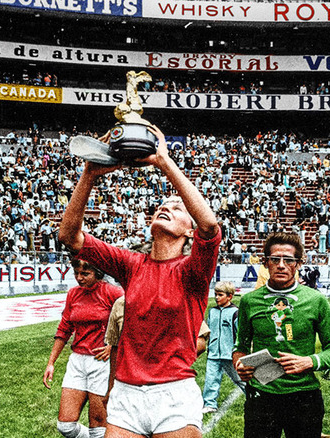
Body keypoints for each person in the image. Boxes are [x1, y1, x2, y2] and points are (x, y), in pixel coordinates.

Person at [58, 125, 221, 438]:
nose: (165, 207)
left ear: (190, 231)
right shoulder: (132, 265)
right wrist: (89, 174)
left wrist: (164, 162)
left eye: (177, 208)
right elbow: (69, 236)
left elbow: (210, 225)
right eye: (162, 205)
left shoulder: (193, 271)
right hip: (126, 394)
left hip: (174, 394)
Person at [233, 232, 330, 438]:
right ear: (265, 262)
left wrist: (309, 361)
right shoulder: (249, 301)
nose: (281, 265)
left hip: (304, 395)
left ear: (298, 264)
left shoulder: (316, 300)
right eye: (275, 259)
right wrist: (240, 365)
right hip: (262, 395)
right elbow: (241, 346)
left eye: (288, 260)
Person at [42, 258, 123, 438]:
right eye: (76, 273)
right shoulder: (73, 294)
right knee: (66, 426)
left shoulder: (113, 293)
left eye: (85, 274)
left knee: (98, 427)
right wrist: (51, 363)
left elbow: (127, 324)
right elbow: (64, 328)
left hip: (102, 363)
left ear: (98, 273)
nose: (79, 278)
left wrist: (112, 345)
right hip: (77, 362)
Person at [202, 281, 246, 414]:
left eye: (220, 295)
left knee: (240, 379)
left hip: (230, 354)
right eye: (215, 294)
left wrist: (237, 351)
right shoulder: (212, 311)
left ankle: (254, 397)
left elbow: (240, 334)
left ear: (230, 296)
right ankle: (210, 404)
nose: (216, 298)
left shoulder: (235, 313)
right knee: (211, 379)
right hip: (214, 353)